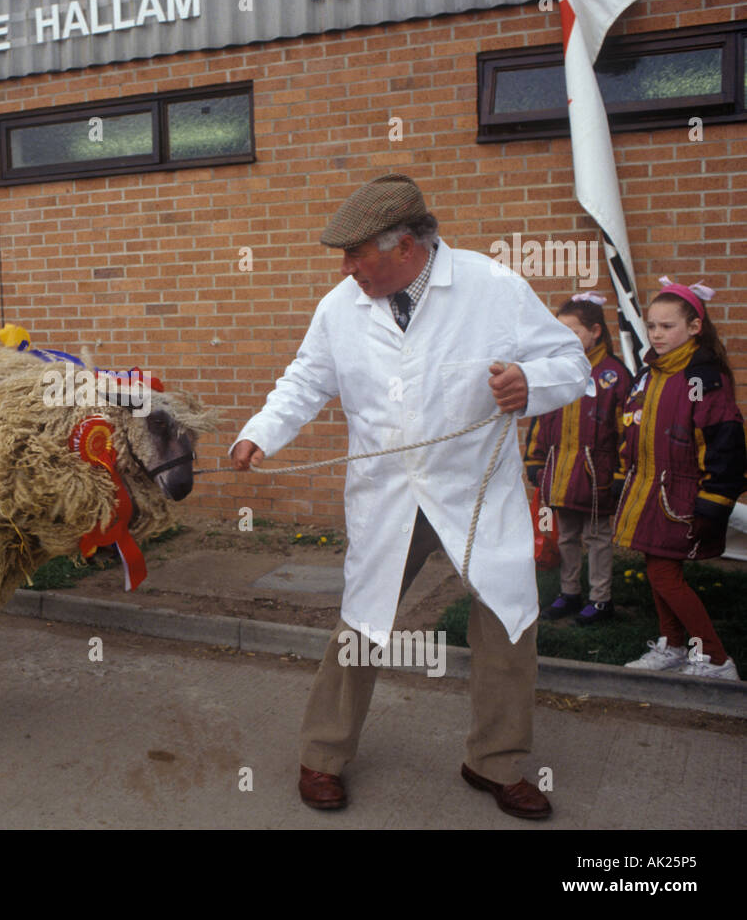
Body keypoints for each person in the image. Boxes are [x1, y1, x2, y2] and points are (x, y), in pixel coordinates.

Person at [230, 174, 590, 819]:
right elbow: (306, 379)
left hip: (474, 490)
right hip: (388, 493)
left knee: (508, 618)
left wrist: (529, 381)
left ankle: (496, 763)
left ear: (405, 247)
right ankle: (323, 755)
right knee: (363, 621)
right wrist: (261, 434)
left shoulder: (493, 287)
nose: (346, 270)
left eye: (355, 254)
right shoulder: (343, 305)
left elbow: (571, 362)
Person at [615, 280, 745, 680]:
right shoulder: (649, 372)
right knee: (658, 570)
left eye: (667, 326)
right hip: (649, 491)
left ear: (694, 327)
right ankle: (672, 645)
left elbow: (725, 444)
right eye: (652, 326)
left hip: (684, 498)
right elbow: (633, 427)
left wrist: (713, 503)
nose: (656, 334)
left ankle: (716, 658)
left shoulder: (703, 379)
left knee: (663, 574)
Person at [524, 293, 631, 624]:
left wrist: (619, 474)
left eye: (572, 331)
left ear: (595, 331)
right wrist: (535, 461)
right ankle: (569, 593)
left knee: (597, 537)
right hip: (560, 472)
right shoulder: (556, 371)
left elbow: (627, 430)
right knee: (567, 535)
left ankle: (601, 599)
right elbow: (541, 419)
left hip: (596, 474)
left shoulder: (614, 375)